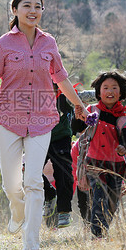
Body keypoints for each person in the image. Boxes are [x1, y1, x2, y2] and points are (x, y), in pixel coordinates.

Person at [0, 0, 88, 250]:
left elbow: (61, 78)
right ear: (15, 10)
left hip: (42, 120)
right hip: (7, 120)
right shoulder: (3, 44)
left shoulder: (49, 43)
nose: (33, 11)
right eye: (27, 6)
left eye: (38, 7)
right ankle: (17, 212)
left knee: (34, 182)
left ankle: (32, 246)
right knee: (12, 185)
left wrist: (79, 105)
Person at [72, 70, 126, 239]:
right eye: (105, 87)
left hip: (116, 167)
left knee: (112, 204)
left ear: (120, 92)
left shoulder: (121, 116)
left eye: (114, 87)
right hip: (94, 165)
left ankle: (102, 229)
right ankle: (98, 236)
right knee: (99, 197)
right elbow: (77, 129)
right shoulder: (92, 111)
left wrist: (123, 147)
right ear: (98, 92)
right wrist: (78, 118)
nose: (110, 91)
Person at [42, 84, 76, 229]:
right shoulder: (34, 99)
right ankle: (49, 194)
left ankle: (63, 211)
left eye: (54, 88)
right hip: (39, 137)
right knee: (31, 171)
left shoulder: (65, 98)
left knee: (63, 172)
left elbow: (85, 96)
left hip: (61, 137)